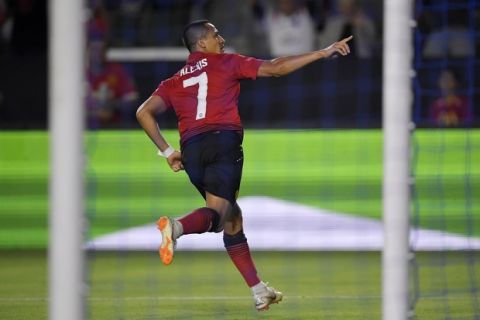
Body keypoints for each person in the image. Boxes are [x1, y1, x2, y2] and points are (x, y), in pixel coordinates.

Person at [136, 20, 352, 311]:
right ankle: (176, 228)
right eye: (215, 35)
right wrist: (321, 53)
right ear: (202, 44)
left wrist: (167, 151)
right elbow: (276, 68)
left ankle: (259, 289)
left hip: (192, 152)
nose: (222, 39)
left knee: (232, 219)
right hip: (222, 143)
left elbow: (143, 112)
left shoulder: (173, 81)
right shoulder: (225, 63)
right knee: (219, 215)